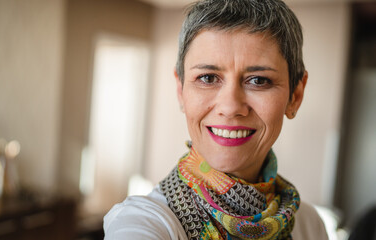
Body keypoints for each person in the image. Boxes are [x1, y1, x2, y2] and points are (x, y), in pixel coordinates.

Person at [104, 0, 329, 239]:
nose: (230, 107)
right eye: (208, 78)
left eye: (259, 80)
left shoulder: (309, 225)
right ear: (181, 90)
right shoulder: (144, 222)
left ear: (295, 95)